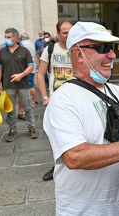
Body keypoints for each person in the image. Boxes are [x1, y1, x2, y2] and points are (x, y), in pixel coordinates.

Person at [43, 21, 119, 215]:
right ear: (78, 54)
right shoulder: (63, 99)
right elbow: (74, 156)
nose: (112, 55)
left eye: (112, 47)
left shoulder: (116, 91)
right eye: (102, 48)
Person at [37, 20, 73, 181]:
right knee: (54, 134)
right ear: (58, 33)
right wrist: (45, 97)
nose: (68, 34)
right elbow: (40, 74)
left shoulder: (79, 48)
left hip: (76, 99)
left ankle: (77, 162)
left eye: (70, 31)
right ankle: (58, 165)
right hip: (55, 100)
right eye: (64, 32)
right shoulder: (50, 49)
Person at [0, 28, 37, 141]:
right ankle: (12, 130)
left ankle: (31, 127)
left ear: (16, 37)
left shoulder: (24, 51)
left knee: (28, 107)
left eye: (9, 37)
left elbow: (31, 66)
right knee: (10, 109)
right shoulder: (2, 51)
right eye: (5, 37)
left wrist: (21, 75)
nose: (6, 39)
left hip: (23, 85)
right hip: (8, 85)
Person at [21, 32, 38, 105]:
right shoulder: (30, 43)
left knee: (30, 84)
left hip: (28, 64)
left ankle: (34, 100)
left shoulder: (24, 44)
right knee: (31, 83)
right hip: (32, 63)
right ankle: (34, 99)